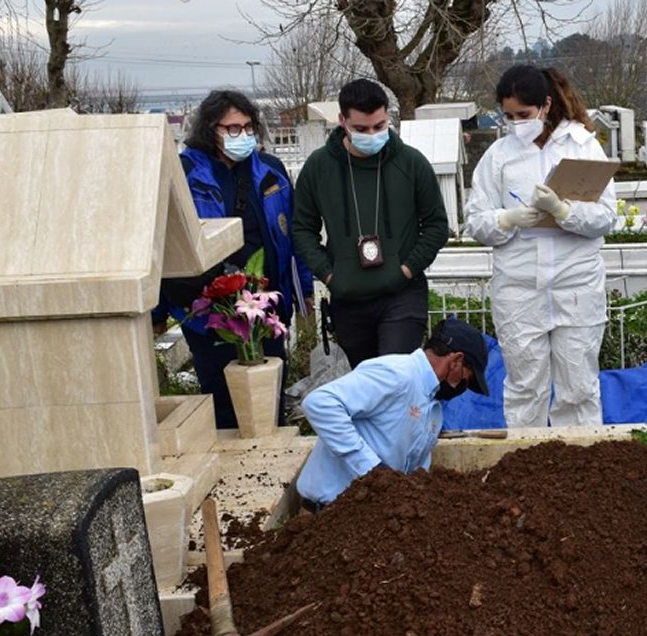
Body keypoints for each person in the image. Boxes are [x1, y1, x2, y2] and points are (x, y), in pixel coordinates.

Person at [463, 65, 616, 428]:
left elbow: (606, 217)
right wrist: (508, 219)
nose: (517, 123)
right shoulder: (499, 156)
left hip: (575, 285)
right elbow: (477, 221)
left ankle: (579, 466)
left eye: (524, 115)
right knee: (524, 387)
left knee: (578, 387)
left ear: (546, 105)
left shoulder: (583, 147)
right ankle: (526, 469)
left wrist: (565, 212)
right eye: (509, 116)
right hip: (519, 289)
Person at [156, 89, 313, 429]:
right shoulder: (185, 174)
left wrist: (305, 289)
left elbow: (294, 232)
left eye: (247, 127)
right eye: (232, 128)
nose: (242, 135)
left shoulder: (270, 170)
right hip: (210, 310)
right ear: (211, 129)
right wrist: (158, 310)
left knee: (269, 392)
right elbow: (162, 243)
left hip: (265, 308)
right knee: (223, 398)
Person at [291, 79, 449, 369]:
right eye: (361, 129)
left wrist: (407, 267)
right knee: (365, 384)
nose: (373, 134)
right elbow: (302, 228)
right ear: (342, 121)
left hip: (402, 292)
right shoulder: (318, 167)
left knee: (393, 375)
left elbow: (437, 225)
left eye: (380, 126)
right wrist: (329, 274)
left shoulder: (412, 163)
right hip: (348, 298)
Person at [296, 318, 489, 511]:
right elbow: (320, 403)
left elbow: (415, 471)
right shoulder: (397, 374)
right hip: (327, 513)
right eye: (467, 377)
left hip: (369, 518)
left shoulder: (433, 408)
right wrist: (373, 470)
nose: (462, 385)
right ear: (456, 361)